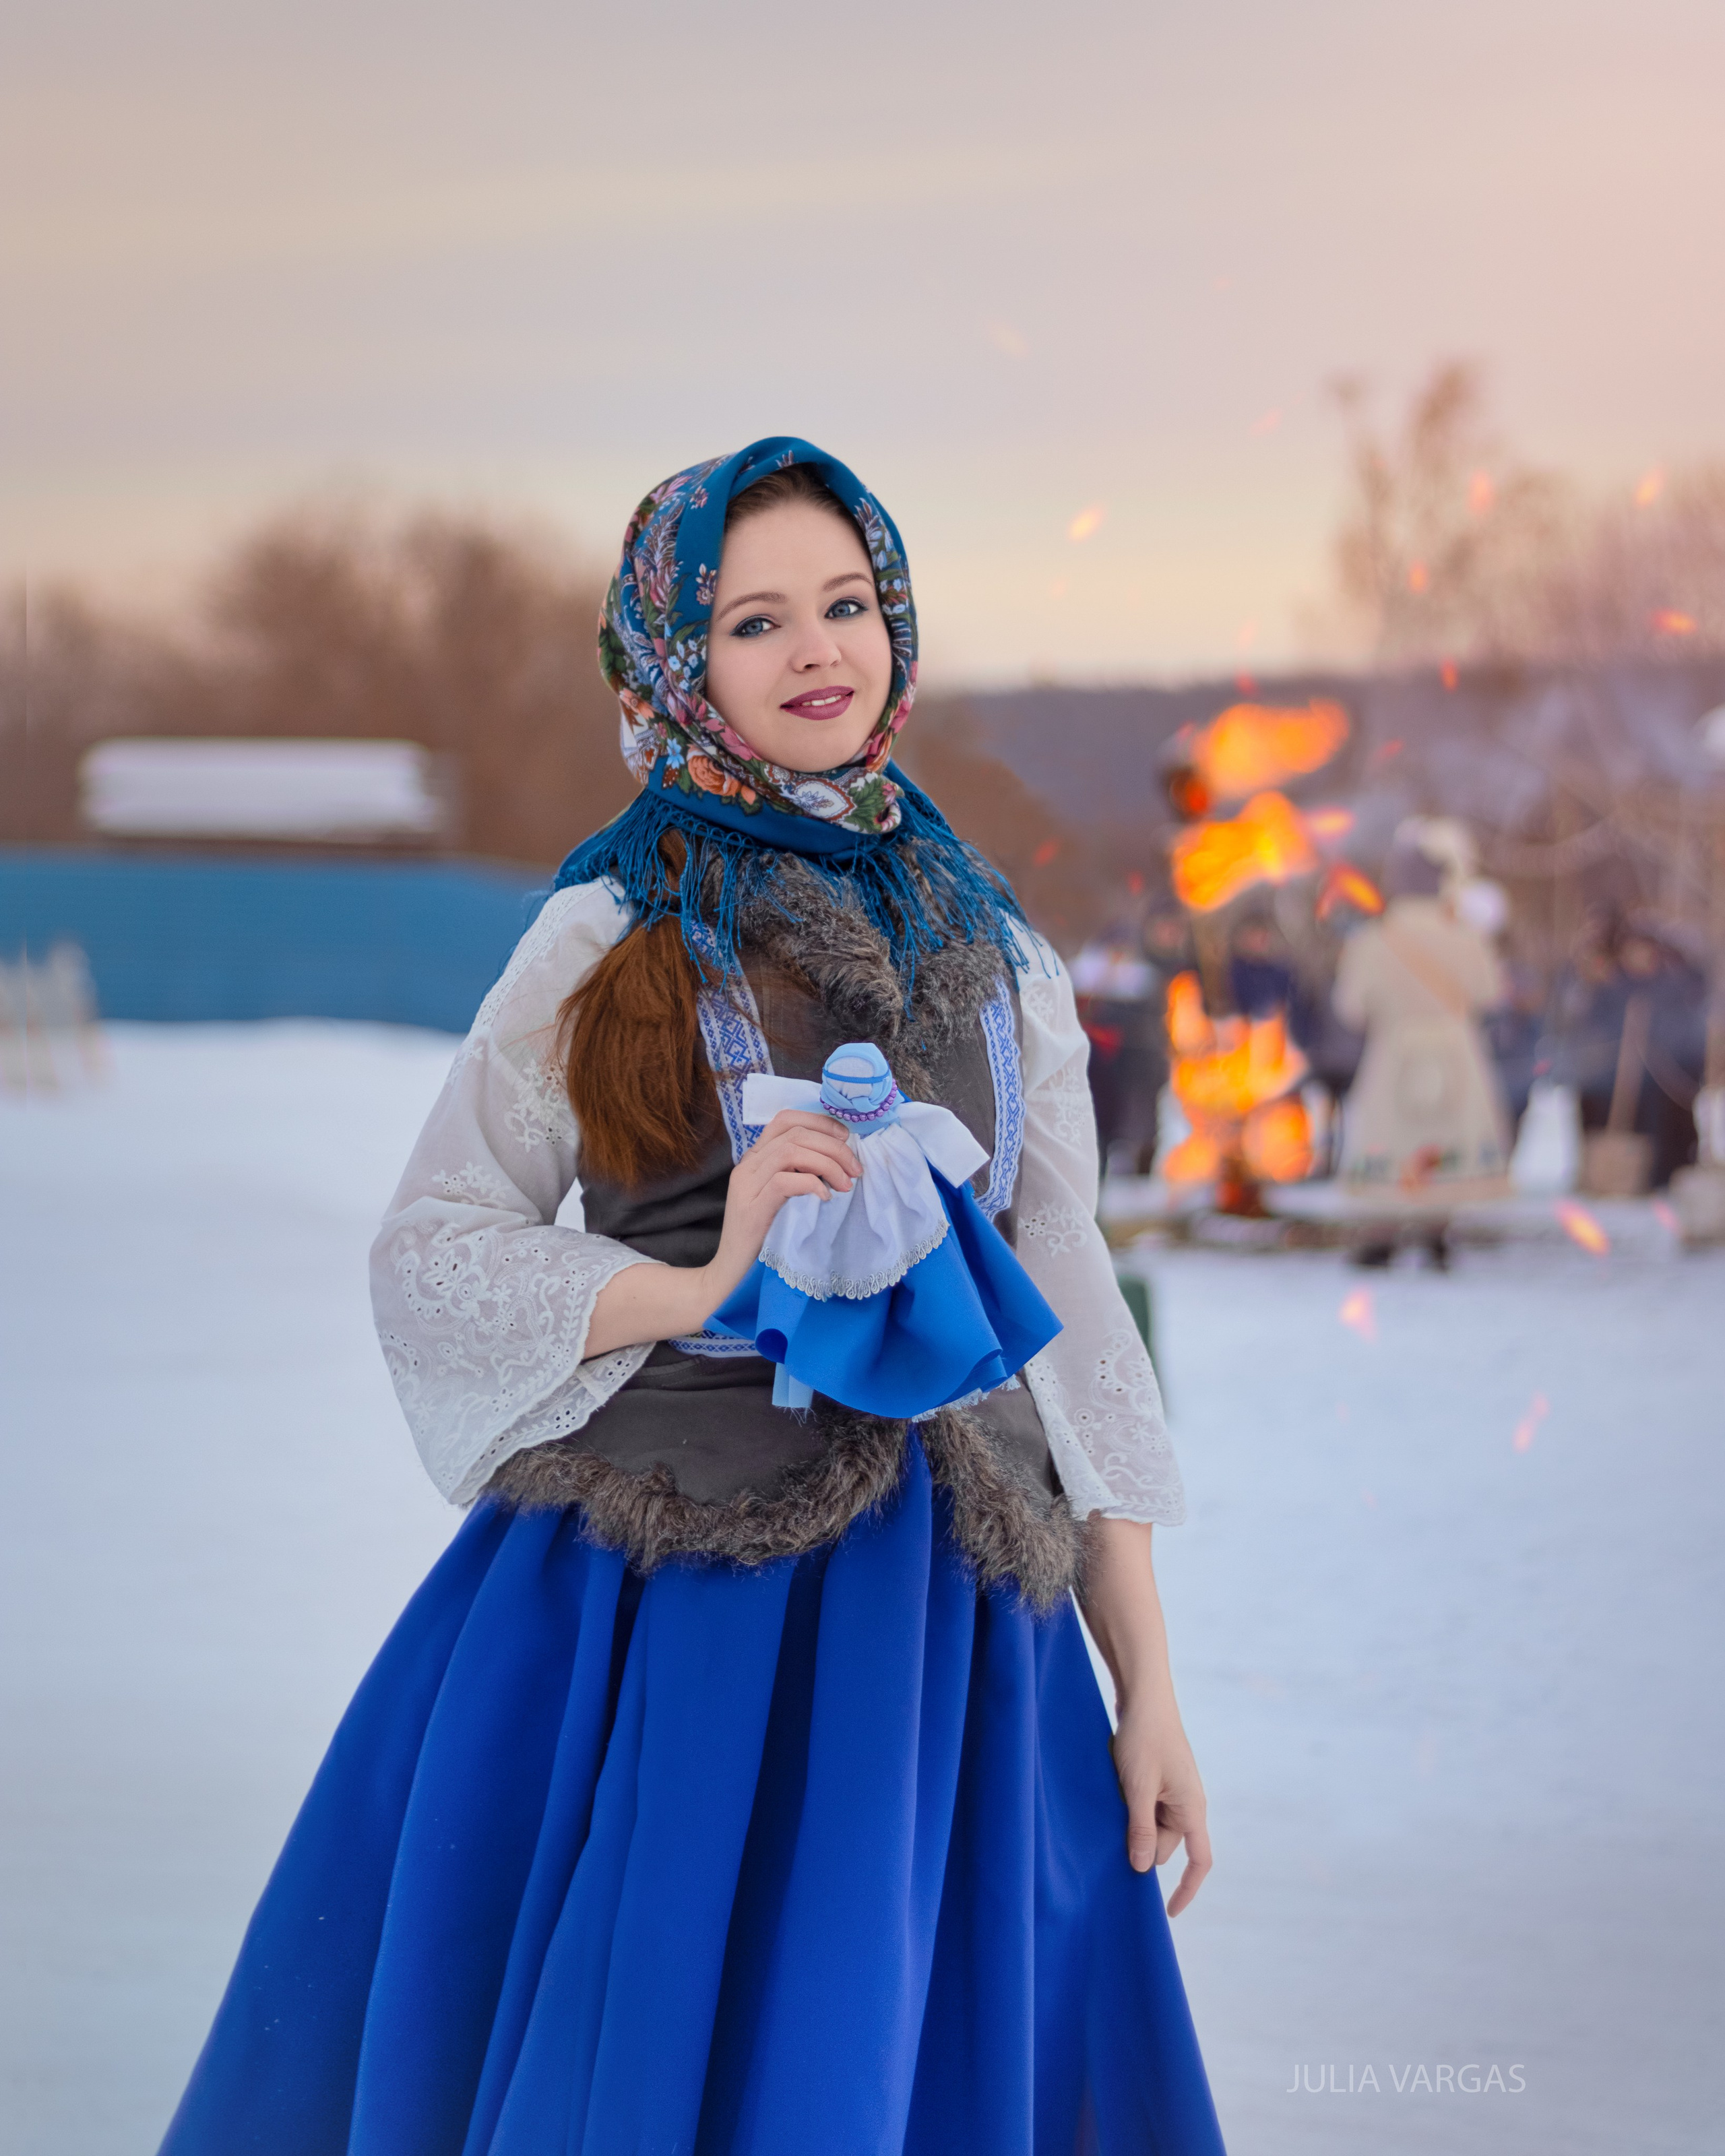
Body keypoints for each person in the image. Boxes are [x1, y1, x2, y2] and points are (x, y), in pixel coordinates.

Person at [157, 440, 1227, 2155]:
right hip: (678, 1611)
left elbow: (1065, 1309)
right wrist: (700, 1276)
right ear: (674, 659)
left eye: (845, 604)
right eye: (752, 620)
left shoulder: (992, 944)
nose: (816, 650)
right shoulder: (607, 928)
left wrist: (1145, 1679)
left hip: (953, 1637)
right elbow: (435, 1245)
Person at [1334, 822, 1510, 1265]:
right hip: (1454, 1047)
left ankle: (1382, 1233)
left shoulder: (1373, 939)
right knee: (1445, 1136)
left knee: (1390, 1137)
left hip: (1395, 1048)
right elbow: (1489, 993)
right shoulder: (1467, 936)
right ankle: (1437, 1230)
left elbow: (1351, 1006)